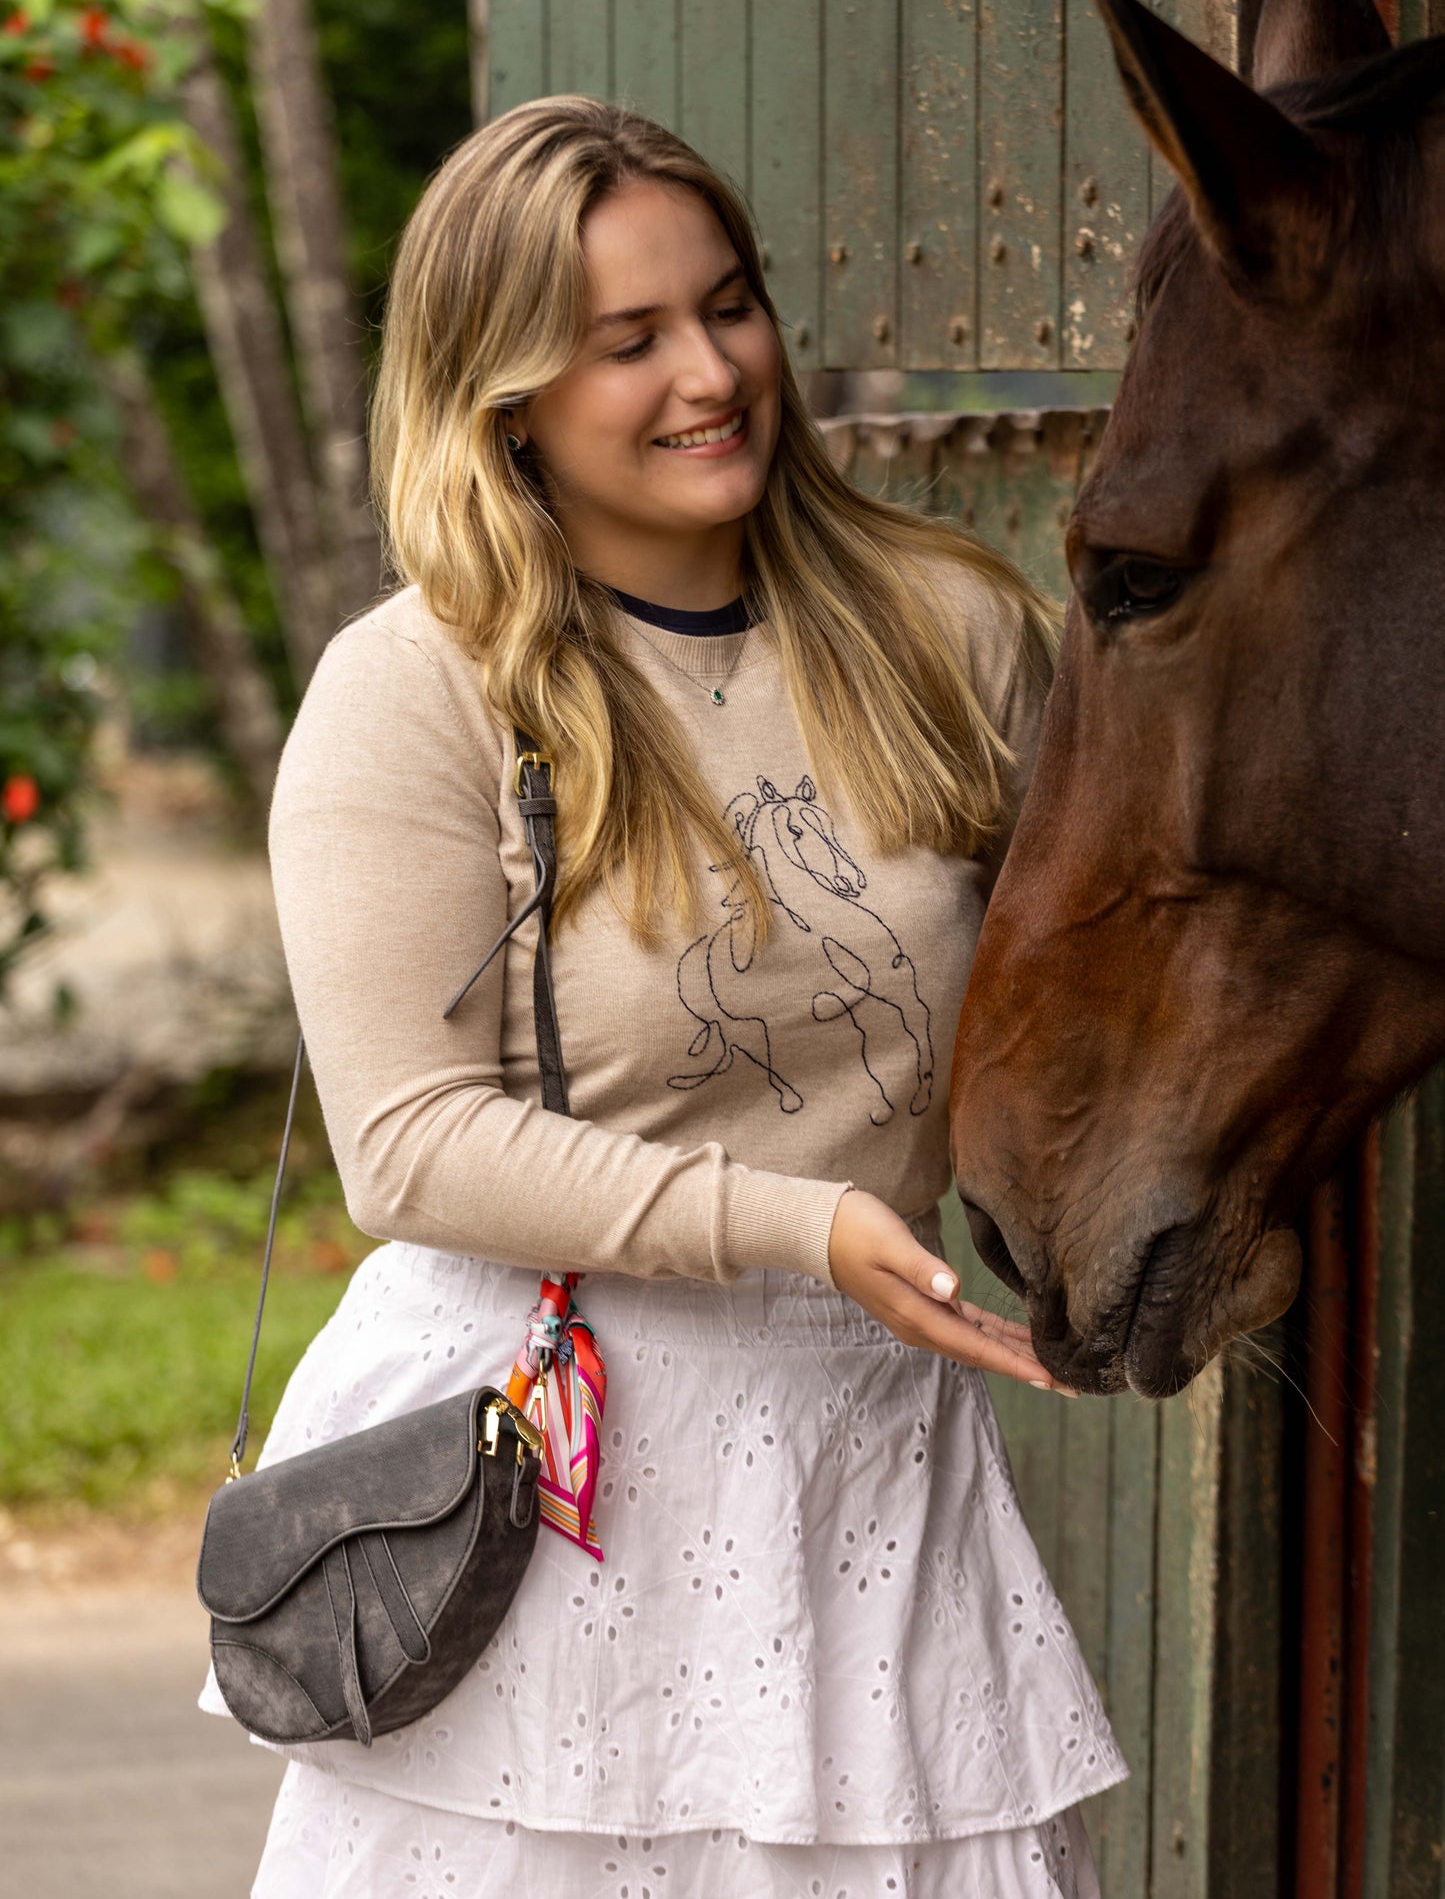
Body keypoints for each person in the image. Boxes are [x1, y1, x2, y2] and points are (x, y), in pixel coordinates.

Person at [208, 97, 1125, 1896]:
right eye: (626, 341)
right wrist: (803, 1225)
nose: (709, 372)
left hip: (865, 1451)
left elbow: (1091, 992)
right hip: (542, 1461)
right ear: (507, 394)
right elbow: (404, 1147)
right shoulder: (418, 691)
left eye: (727, 306)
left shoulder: (954, 630)